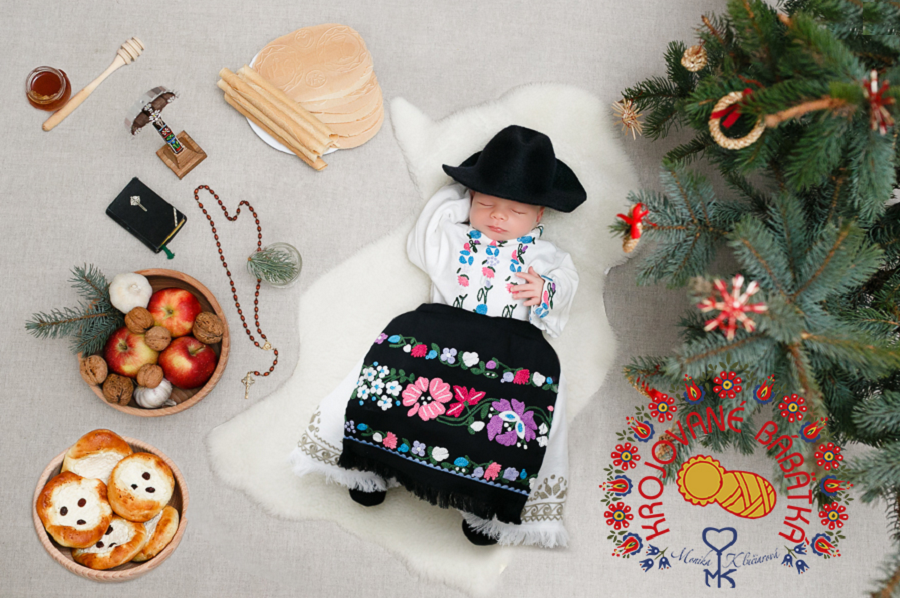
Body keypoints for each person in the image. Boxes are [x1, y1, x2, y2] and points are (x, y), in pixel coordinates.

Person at [291, 125, 585, 547]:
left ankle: (481, 503)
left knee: (498, 433)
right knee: (389, 395)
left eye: (516, 210)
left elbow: (567, 288)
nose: (498, 216)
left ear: (541, 215)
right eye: (486, 203)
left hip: (510, 350)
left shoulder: (548, 257)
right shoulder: (453, 238)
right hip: (440, 329)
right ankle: (373, 464)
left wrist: (546, 291)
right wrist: (464, 189)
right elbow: (423, 236)